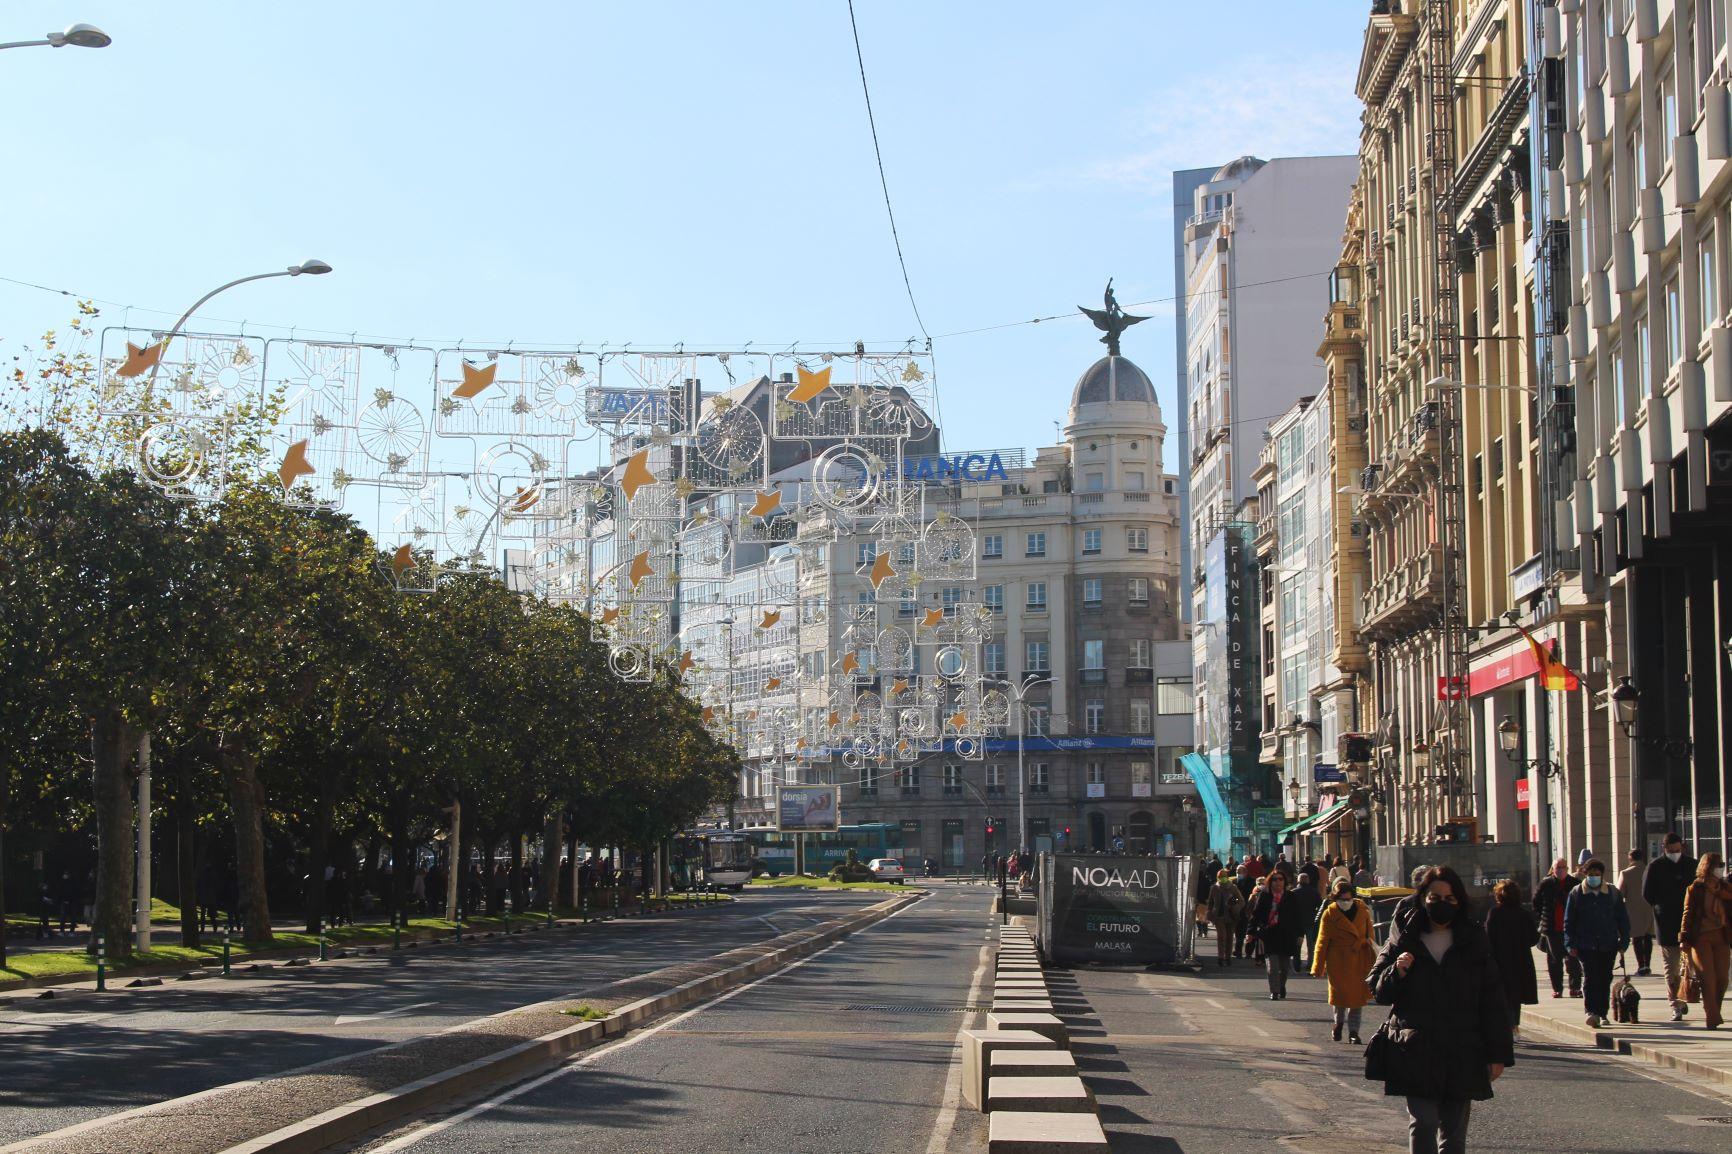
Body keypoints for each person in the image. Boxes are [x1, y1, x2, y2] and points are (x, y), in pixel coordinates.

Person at [1367, 865, 1514, 1154]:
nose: (1441, 904)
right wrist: (1397, 972)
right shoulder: (1404, 938)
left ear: (1459, 902)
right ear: (1423, 899)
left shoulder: (1473, 942)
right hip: (1416, 1047)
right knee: (1423, 1121)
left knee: (1453, 1135)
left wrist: (1498, 1055)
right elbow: (1378, 989)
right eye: (1435, 898)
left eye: (1449, 899)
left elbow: (1493, 1001)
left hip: (1463, 1048)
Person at [1564, 859, 1630, 1028]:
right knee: (1591, 977)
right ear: (1585, 874)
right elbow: (1569, 921)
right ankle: (1591, 1011)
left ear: (1602, 875)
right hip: (1585, 944)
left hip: (1608, 943)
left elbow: (1622, 919)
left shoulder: (1613, 893)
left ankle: (1602, 1012)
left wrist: (1624, 941)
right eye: (1591, 874)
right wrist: (1570, 943)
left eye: (1597, 875)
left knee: (1605, 977)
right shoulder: (1577, 893)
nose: (1594, 877)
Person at [1644, 832, 1699, 1021]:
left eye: (1677, 850)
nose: (1674, 853)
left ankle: (1685, 995)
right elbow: (1647, 893)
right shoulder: (1655, 867)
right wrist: (1661, 907)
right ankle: (1675, 1002)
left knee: (1690, 967)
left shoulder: (1692, 865)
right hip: (1667, 925)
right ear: (1664, 849)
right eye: (1670, 851)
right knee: (1671, 968)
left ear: (1682, 847)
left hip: (1690, 925)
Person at [1313, 878, 1375, 1043]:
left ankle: (1354, 1032)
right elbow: (1322, 940)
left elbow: (1370, 937)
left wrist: (1374, 959)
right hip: (1338, 960)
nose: (1346, 902)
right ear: (1335, 899)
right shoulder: (1329, 914)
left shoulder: (1363, 911)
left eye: (1348, 899)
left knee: (1357, 998)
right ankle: (1338, 1024)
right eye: (1342, 900)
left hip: (1359, 958)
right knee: (1339, 996)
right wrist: (1318, 966)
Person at [1679, 852, 1731, 1030]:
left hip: (1722, 936)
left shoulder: (1726, 888)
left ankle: (1715, 1008)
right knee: (1707, 977)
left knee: (1722, 979)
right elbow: (1688, 913)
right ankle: (1712, 1016)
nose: (1721, 868)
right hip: (1700, 938)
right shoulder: (1696, 889)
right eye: (1719, 865)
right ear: (1708, 867)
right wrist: (1684, 937)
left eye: (1722, 865)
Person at [1483, 879, 1538, 1037]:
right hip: (1521, 960)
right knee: (1516, 995)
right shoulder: (1524, 914)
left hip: (1500, 960)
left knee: (1502, 995)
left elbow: (1488, 937)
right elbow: (1534, 938)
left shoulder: (1495, 913)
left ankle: (1506, 1024)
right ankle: (1514, 1025)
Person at [1248, 869, 1301, 1000]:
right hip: (1270, 934)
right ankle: (1274, 990)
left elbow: (1297, 916)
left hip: (1286, 934)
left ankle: (1281, 986)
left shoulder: (1290, 896)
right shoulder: (1264, 896)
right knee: (1272, 965)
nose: (1278, 882)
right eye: (1275, 879)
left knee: (1284, 967)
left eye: (1280, 879)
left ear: (1285, 882)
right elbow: (1256, 914)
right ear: (1270, 882)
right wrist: (1250, 932)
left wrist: (1300, 934)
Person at [1533, 857, 1581, 998]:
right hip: (1552, 929)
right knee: (1554, 960)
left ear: (1567, 869)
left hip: (1571, 929)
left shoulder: (1575, 884)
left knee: (1573, 959)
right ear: (1553, 869)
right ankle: (1557, 988)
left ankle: (1575, 987)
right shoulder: (1546, 883)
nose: (1560, 870)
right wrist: (1544, 915)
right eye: (1557, 867)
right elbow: (1536, 902)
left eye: (1563, 867)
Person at [1617, 848, 1655, 976]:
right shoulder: (1650, 870)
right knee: (1648, 936)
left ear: (1630, 858)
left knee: (1637, 938)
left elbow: (1619, 893)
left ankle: (1641, 965)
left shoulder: (1626, 873)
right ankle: (1648, 964)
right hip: (1649, 907)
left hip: (1633, 909)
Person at [1206, 869, 1245, 967]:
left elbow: (1242, 901)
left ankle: (1228, 957)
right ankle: (1221, 957)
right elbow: (1210, 902)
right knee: (1222, 936)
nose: (1222, 878)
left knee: (1229, 937)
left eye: (1223, 876)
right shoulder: (1214, 888)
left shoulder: (1233, 887)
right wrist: (1209, 913)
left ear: (1227, 877)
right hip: (1219, 916)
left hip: (1231, 916)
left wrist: (1235, 907)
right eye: (1220, 876)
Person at [1289, 871, 1322, 973]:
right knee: (1310, 944)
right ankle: (1310, 964)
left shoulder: (1293, 892)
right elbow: (1320, 905)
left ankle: (1297, 964)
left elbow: (1289, 908)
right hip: (1310, 920)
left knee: (1297, 944)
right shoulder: (1314, 892)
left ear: (1298, 881)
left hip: (1297, 922)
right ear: (1308, 881)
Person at [1232, 864, 1255, 958]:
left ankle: (1248, 952)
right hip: (1238, 910)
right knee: (1239, 932)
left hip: (1248, 909)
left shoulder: (1251, 881)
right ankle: (1238, 951)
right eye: (1237, 871)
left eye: (1239, 871)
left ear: (1245, 872)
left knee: (1249, 931)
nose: (1237, 873)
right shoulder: (1234, 882)